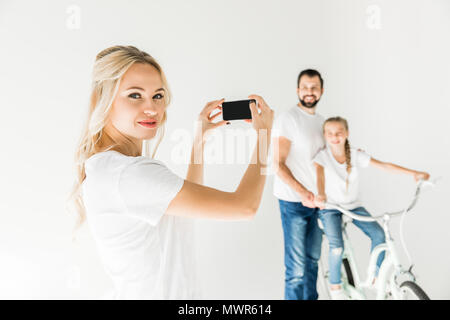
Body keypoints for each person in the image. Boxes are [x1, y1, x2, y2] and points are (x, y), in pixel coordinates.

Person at [70, 45, 274, 299]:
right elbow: (245, 207)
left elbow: (183, 213)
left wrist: (200, 141)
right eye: (135, 95)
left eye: (158, 96)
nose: (152, 109)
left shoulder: (108, 168)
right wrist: (265, 136)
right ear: (103, 99)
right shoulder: (128, 174)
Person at [313, 116, 430, 300]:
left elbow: (384, 166)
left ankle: (375, 277)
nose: (335, 137)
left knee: (380, 235)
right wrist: (320, 195)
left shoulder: (355, 154)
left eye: (339, 132)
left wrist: (413, 173)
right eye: (330, 133)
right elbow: (319, 177)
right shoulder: (322, 157)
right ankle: (335, 288)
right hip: (330, 207)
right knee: (336, 247)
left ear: (347, 133)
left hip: (353, 206)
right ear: (325, 136)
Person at [272, 69, 325, 300]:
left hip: (317, 205)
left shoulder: (322, 122)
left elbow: (325, 164)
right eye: (305, 87)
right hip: (293, 202)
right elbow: (277, 164)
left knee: (313, 264)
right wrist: (303, 192)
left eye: (314, 87)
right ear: (297, 90)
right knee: (296, 270)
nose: (309, 92)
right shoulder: (289, 119)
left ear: (321, 90)